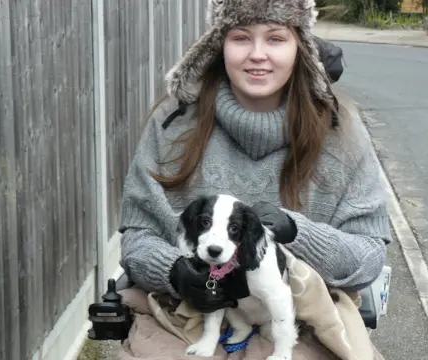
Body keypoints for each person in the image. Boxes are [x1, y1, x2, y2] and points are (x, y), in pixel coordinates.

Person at [117, 0, 392, 356]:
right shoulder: (172, 125)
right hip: (184, 314)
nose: (257, 54)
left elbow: (367, 258)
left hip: (303, 316)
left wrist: (297, 232)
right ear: (219, 46)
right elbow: (137, 237)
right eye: (241, 37)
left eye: (276, 39)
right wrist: (174, 272)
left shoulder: (341, 133)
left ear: (301, 48)